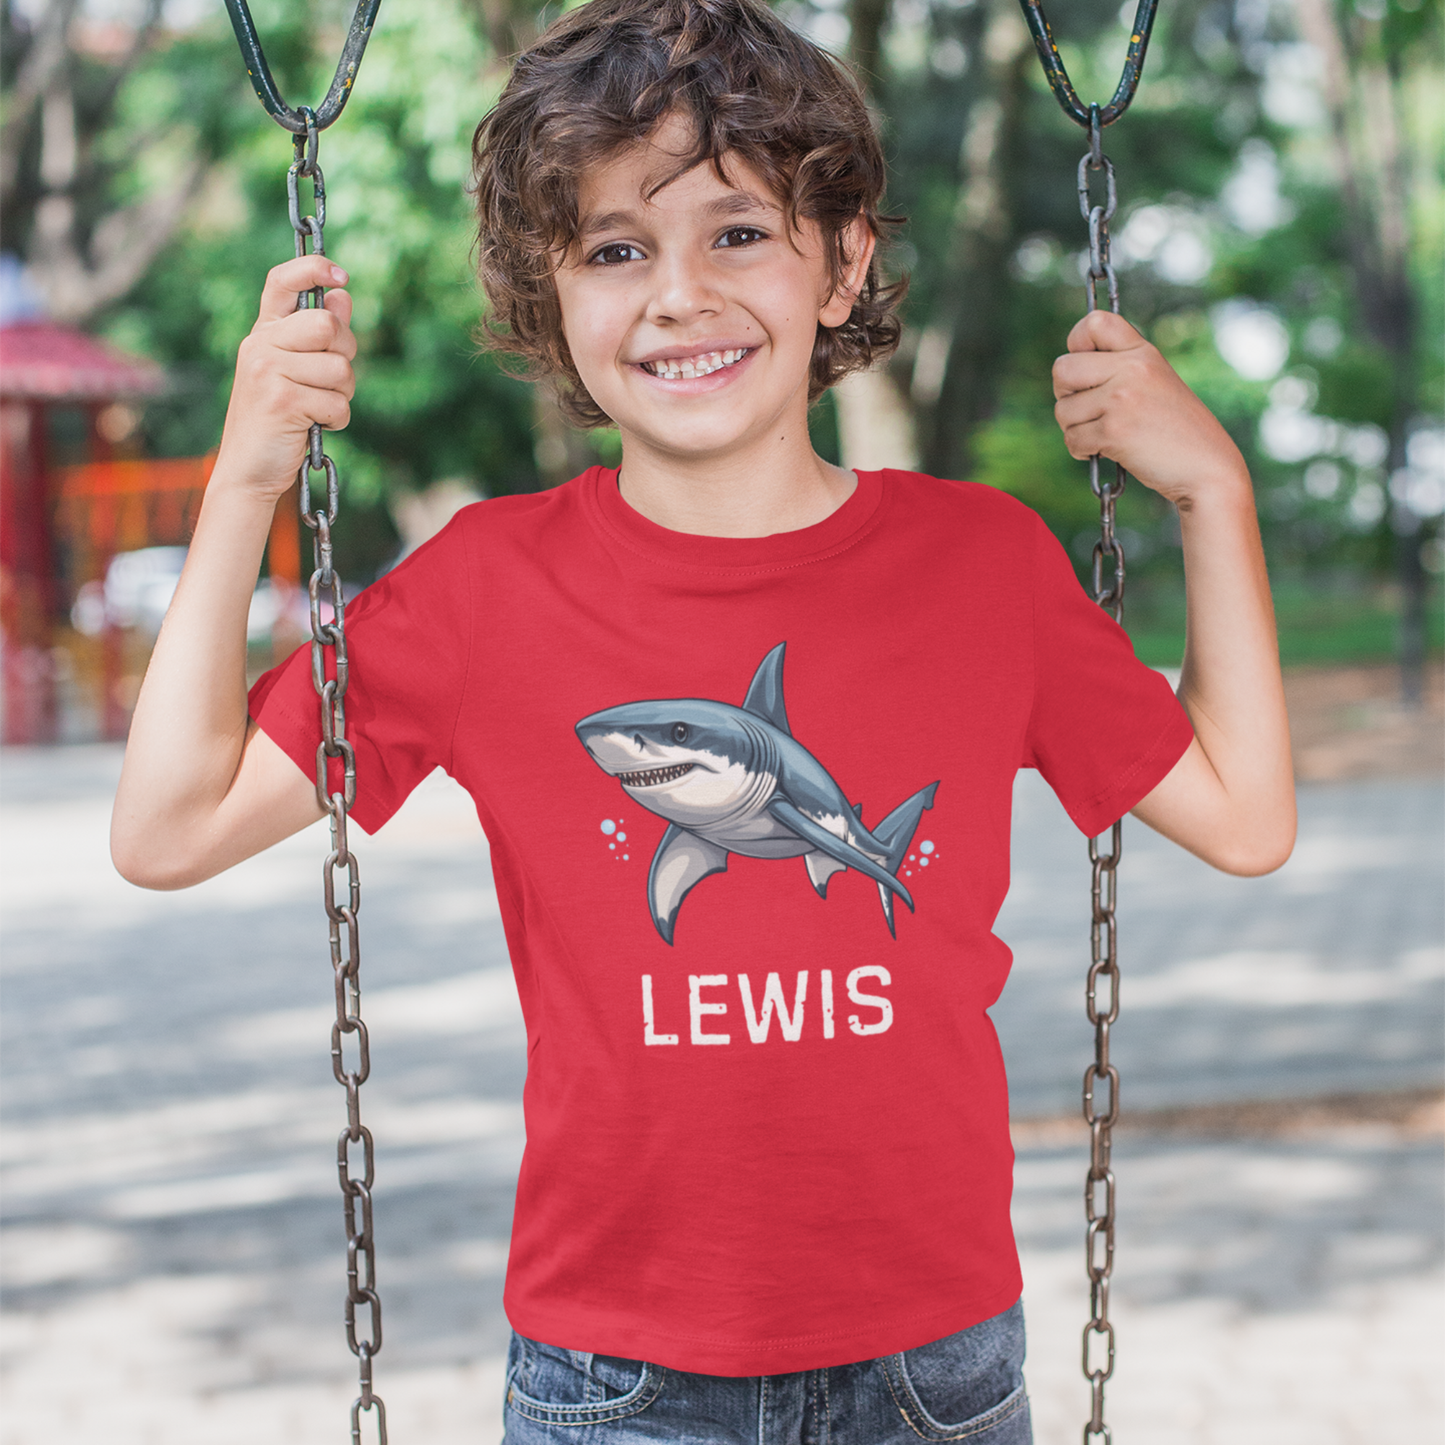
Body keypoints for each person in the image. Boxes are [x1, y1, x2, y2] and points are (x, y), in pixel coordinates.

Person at [111, 0, 1296, 1438]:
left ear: (844, 263)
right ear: (555, 296)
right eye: (615, 249)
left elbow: (1243, 812)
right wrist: (243, 484)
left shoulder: (980, 564)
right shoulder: (486, 587)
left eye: (737, 232)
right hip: (617, 1374)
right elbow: (165, 829)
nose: (677, 295)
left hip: (932, 1366)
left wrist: (1212, 495)